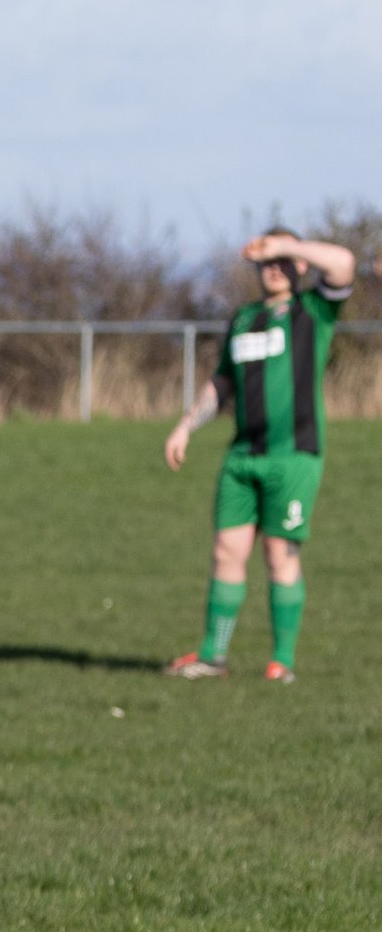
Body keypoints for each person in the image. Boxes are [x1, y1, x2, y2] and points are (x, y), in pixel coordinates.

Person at [162, 230, 356, 683]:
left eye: (282, 258)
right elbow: (222, 382)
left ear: (299, 263)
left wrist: (284, 246)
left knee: (278, 554)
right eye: (266, 260)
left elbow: (344, 263)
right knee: (226, 551)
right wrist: (186, 426)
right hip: (242, 456)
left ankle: (281, 663)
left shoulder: (312, 311)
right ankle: (213, 656)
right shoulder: (244, 318)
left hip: (293, 458)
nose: (274, 267)